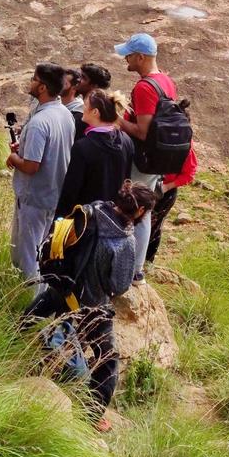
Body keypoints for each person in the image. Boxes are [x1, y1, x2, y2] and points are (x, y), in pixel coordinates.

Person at [26, 180, 157, 429]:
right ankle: (92, 415)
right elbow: (119, 286)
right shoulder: (124, 241)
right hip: (91, 304)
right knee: (107, 360)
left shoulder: (92, 209)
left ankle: (10, 343)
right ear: (139, 212)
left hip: (63, 284)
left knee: (36, 311)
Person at [114, 33, 198, 281]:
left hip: (143, 160)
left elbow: (142, 131)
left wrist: (116, 119)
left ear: (140, 57)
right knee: (145, 209)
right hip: (158, 159)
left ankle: (131, 268)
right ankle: (137, 267)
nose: (125, 59)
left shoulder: (144, 87)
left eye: (128, 55)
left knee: (134, 208)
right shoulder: (165, 81)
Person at [6, 63, 74, 285]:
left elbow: (31, 166)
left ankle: (33, 311)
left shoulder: (39, 123)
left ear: (43, 87)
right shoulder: (65, 113)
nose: (31, 83)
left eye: (34, 79)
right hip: (54, 194)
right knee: (42, 254)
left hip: (34, 198)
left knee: (29, 258)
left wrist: (14, 159)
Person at [55, 89, 135, 213]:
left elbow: (71, 189)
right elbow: (127, 181)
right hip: (115, 215)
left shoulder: (83, 147)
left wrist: (60, 219)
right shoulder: (126, 140)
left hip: (87, 217)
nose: (82, 108)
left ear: (95, 112)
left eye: (85, 105)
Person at [62, 61, 113, 136]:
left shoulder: (85, 116)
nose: (78, 79)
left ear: (94, 86)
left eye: (83, 77)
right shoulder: (83, 108)